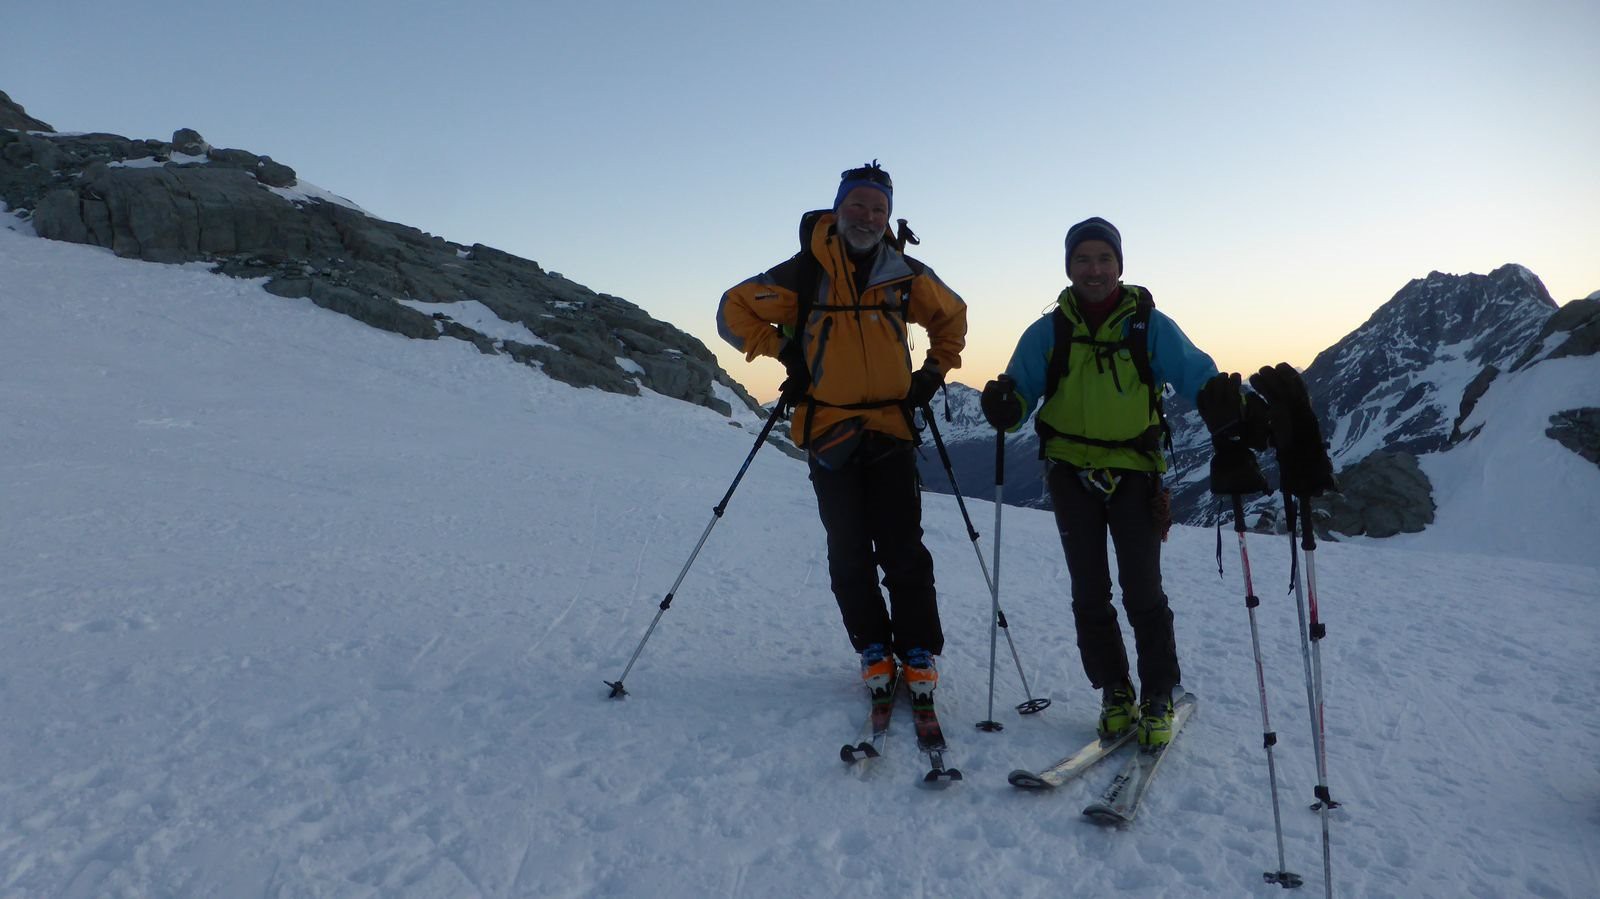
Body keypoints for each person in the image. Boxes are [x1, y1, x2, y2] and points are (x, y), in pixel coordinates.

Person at [979, 216, 1236, 749]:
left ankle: (1158, 693)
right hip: (1070, 473)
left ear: (1119, 265)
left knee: (1143, 589)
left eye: (1104, 259)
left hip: (1137, 472)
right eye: (1083, 259)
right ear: (1069, 266)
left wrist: (1218, 397)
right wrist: (1006, 404)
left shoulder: (1148, 326)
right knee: (1089, 590)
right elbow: (1021, 392)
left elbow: (1194, 372)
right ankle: (1116, 691)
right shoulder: (1048, 331)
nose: (1094, 270)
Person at [716, 161, 968, 703]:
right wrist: (785, 350)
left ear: (889, 216)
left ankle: (917, 649)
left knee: (903, 546)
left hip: (892, 426)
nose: (868, 216)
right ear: (838, 208)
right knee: (849, 548)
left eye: (879, 209)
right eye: (858, 205)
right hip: (829, 427)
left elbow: (953, 316)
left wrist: (932, 373)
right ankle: (873, 646)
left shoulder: (904, 273)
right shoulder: (804, 273)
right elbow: (732, 309)